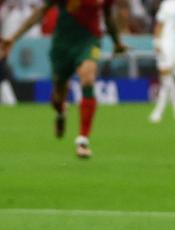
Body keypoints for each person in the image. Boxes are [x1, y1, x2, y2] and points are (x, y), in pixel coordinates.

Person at [0, 0, 126, 158]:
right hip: (62, 46)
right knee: (59, 95)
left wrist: (117, 43)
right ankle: (60, 112)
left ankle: (83, 140)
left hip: (89, 41)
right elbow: (41, 11)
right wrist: (14, 37)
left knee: (87, 77)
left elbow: (107, 16)